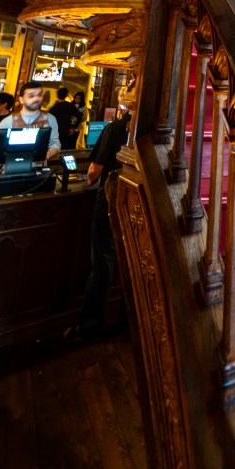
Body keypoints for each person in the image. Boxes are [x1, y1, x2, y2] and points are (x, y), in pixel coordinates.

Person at [64, 88, 135, 344]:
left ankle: (91, 326)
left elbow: (94, 171)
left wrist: (87, 178)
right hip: (136, 201)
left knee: (103, 262)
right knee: (133, 263)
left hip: (110, 200)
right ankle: (128, 321)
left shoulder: (114, 128)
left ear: (123, 102)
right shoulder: (148, 128)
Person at [0, 81, 61, 169]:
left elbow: (55, 143)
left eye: (39, 95)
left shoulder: (50, 119)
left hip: (38, 171)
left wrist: (45, 156)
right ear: (21, 99)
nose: (36, 99)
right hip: (11, 172)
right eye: (31, 96)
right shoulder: (8, 121)